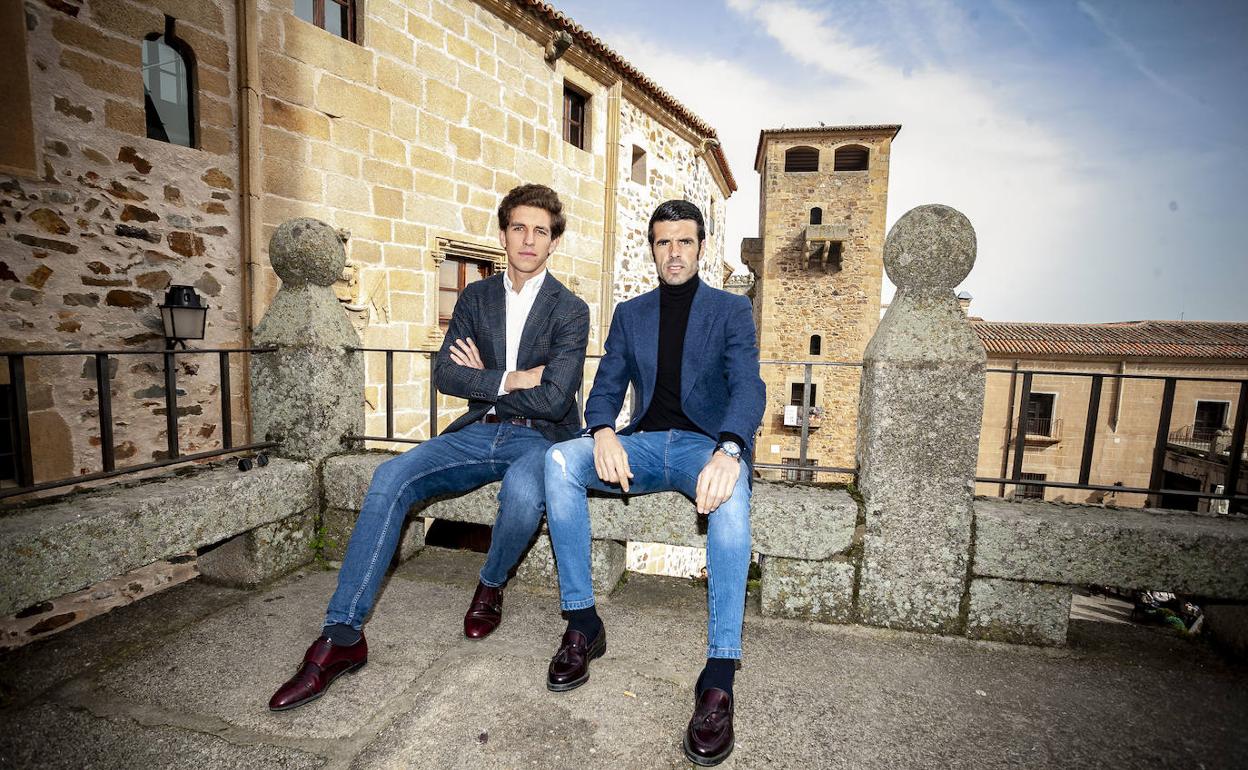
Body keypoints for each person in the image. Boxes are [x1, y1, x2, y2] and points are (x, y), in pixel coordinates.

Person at [268, 184, 590, 711]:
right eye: (518, 228)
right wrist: (509, 378)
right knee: (389, 478)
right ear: (503, 233)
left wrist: (481, 374)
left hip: (539, 437)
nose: (528, 239)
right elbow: (444, 373)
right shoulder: (475, 298)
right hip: (479, 429)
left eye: (540, 231)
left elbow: (556, 398)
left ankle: (490, 583)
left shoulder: (570, 310)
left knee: (525, 492)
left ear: (554, 241)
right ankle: (342, 636)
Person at [541, 200, 765, 766]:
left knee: (732, 500)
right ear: (653, 248)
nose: (673, 253)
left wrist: (731, 448)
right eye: (663, 242)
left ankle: (718, 676)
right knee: (559, 463)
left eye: (684, 242)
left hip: (703, 447)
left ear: (700, 246)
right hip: (641, 443)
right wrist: (602, 431)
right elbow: (607, 382)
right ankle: (583, 623)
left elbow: (748, 389)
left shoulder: (731, 311)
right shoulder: (631, 313)